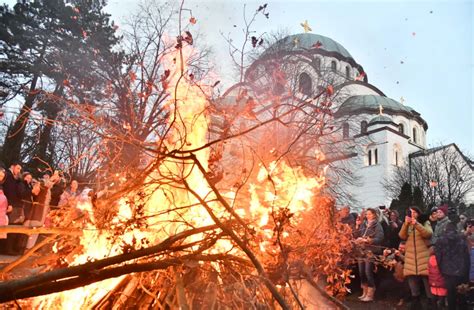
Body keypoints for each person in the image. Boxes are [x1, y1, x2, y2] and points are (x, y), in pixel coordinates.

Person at [399, 206, 433, 308]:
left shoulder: (424, 222)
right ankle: (416, 303)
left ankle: (431, 303)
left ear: (418, 213)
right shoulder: (407, 224)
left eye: (414, 212)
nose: (412, 214)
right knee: (412, 281)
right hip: (411, 257)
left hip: (423, 256)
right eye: (410, 212)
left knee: (426, 281)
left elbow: (428, 234)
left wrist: (416, 224)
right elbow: (402, 236)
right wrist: (405, 224)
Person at [435, 222, 470, 310]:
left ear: (445, 229)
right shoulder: (462, 240)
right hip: (461, 271)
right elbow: (467, 258)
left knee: (451, 296)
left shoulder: (440, 240)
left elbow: (438, 257)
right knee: (462, 295)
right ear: (456, 229)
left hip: (447, 272)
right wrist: (467, 274)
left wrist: (441, 270)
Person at [354, 208, 384, 302]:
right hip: (361, 251)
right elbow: (358, 234)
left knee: (368, 272)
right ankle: (365, 291)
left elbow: (380, 238)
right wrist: (357, 226)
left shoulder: (377, 225)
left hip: (371, 251)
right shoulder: (364, 224)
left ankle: (370, 293)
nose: (367, 216)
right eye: (366, 214)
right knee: (361, 272)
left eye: (369, 214)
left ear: (374, 215)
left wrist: (368, 240)